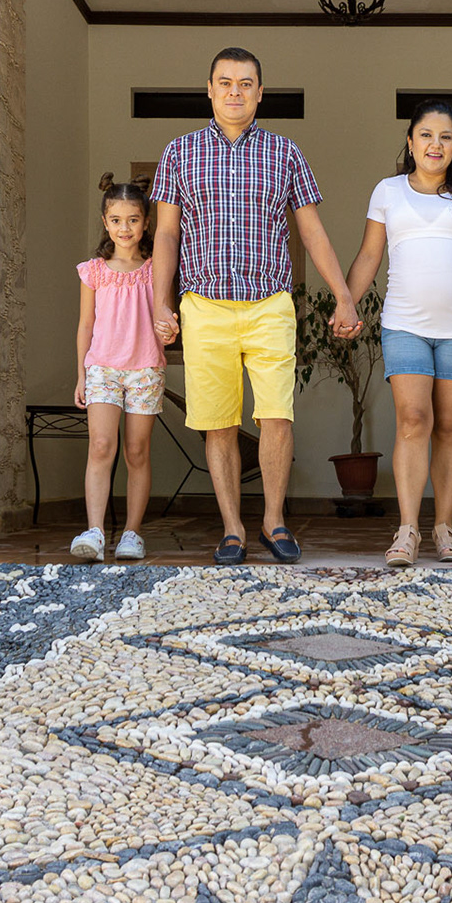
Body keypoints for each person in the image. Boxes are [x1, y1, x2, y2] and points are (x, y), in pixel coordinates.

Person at [151, 47, 361, 566]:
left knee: (276, 417)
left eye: (246, 84)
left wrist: (344, 295)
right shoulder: (179, 153)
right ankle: (231, 530)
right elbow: (167, 234)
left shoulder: (285, 153)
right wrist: (160, 303)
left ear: (260, 93)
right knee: (218, 423)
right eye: (225, 83)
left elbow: (311, 231)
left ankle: (273, 521)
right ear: (209, 89)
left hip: (271, 304)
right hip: (204, 307)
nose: (235, 92)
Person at [342, 100, 452, 567]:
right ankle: (407, 529)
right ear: (410, 141)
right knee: (413, 420)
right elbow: (368, 256)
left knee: (450, 426)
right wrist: (346, 302)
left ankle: (444, 525)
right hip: (405, 324)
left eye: (445, 136)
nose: (435, 144)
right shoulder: (388, 191)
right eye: (426, 135)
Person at [70, 174, 163, 562]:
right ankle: (93, 532)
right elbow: (86, 324)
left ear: (145, 223)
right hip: (103, 368)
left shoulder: (158, 268)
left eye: (133, 220)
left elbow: (165, 315)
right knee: (101, 445)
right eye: (116, 220)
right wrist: (81, 374)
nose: (125, 228)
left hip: (145, 369)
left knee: (137, 451)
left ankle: (131, 533)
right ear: (105, 222)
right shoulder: (94, 271)